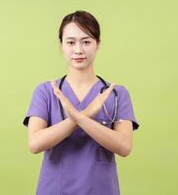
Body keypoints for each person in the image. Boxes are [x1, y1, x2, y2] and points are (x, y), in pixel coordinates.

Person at [23, 10, 140, 195]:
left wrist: (79, 118)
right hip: (55, 189)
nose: (78, 50)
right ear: (61, 45)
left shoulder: (116, 94)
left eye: (86, 42)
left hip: (101, 189)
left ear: (97, 44)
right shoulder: (46, 91)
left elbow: (124, 147)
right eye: (70, 42)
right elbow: (35, 143)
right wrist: (83, 116)